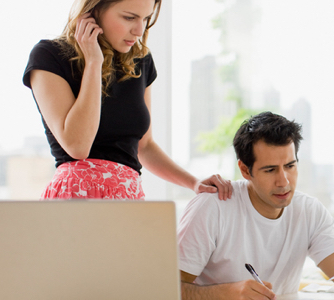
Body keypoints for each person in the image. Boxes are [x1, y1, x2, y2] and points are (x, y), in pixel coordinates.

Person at [177, 111, 334, 299]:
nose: (283, 181)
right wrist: (228, 293)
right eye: (269, 170)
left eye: (290, 166)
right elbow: (166, 289)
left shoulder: (309, 211)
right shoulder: (212, 207)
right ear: (245, 169)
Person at [22, 0, 232, 200]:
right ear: (93, 10)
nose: (139, 30)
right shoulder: (49, 56)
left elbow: (145, 146)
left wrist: (193, 183)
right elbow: (78, 147)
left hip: (128, 197)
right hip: (76, 197)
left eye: (145, 19)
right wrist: (94, 62)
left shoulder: (141, 62)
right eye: (129, 17)